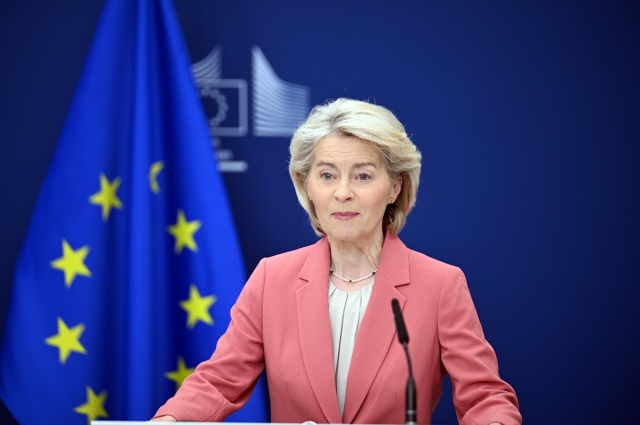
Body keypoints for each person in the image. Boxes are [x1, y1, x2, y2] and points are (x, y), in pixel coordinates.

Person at [152, 98, 521, 424]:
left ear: (394, 187)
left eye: (363, 176)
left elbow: (484, 397)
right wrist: (169, 420)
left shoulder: (439, 285)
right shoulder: (272, 279)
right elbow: (218, 382)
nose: (343, 193)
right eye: (327, 175)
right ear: (307, 185)